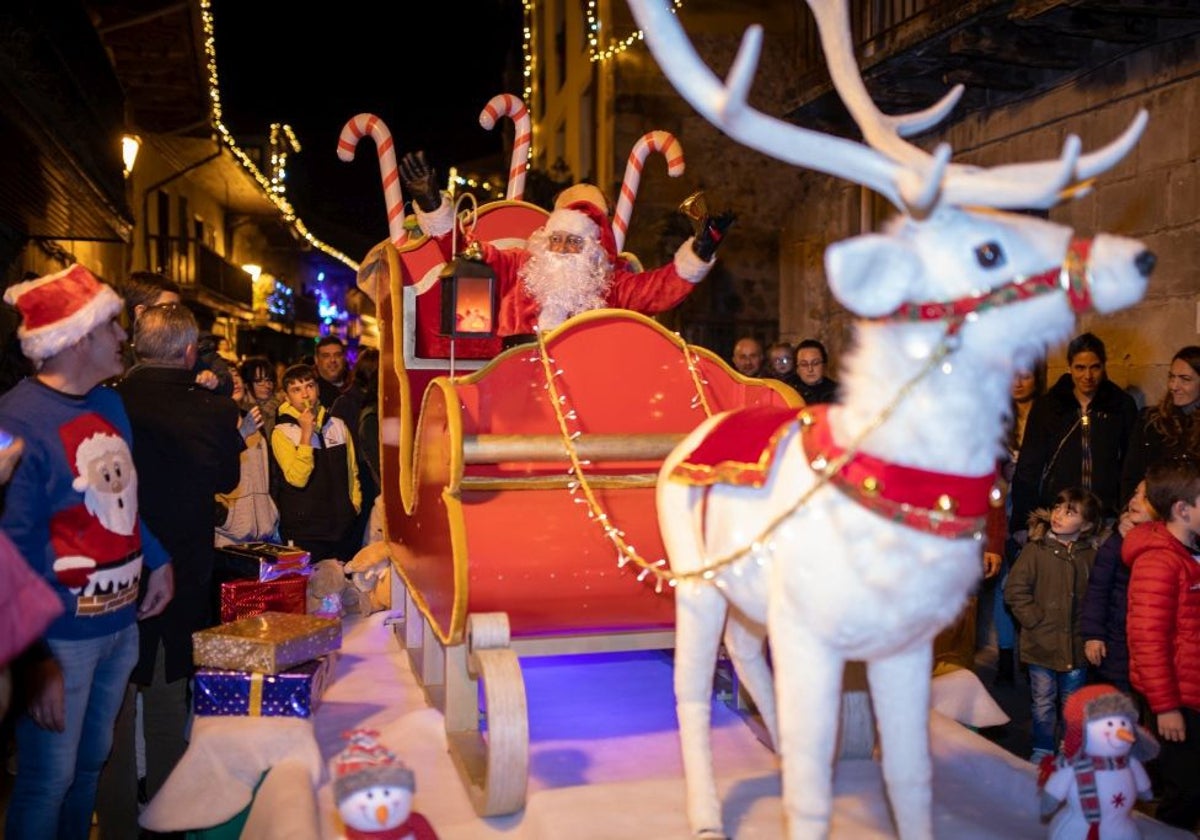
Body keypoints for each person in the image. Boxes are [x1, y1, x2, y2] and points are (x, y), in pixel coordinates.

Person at [0, 264, 173, 839]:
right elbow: (10, 554)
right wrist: (35, 661)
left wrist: (157, 557)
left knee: (90, 766)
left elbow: (122, 499)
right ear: (76, 339)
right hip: (59, 643)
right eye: (111, 327)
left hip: (120, 627)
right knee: (47, 781)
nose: (124, 336)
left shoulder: (109, 404)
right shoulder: (15, 423)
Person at [99, 302, 245, 836]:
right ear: (188, 351)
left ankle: (114, 827)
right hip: (181, 575)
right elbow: (228, 477)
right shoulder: (212, 411)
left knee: (112, 718)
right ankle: (166, 825)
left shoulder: (106, 403)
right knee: (165, 712)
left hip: (113, 576)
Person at [399, 151, 734, 344]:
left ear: (590, 250)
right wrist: (431, 204)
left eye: (573, 242)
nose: (560, 249)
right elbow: (463, 250)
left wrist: (700, 251)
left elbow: (660, 289)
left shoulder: (609, 285)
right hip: (515, 380)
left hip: (587, 388)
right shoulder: (517, 266)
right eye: (556, 239)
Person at [1125, 457, 1200, 832]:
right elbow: (1147, 640)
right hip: (1176, 699)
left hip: (1192, 688)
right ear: (1183, 510)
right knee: (1185, 791)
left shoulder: (1190, 552)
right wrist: (1166, 707)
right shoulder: (1159, 562)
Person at [1004, 486, 1104, 763]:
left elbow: (1097, 596)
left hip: (1076, 645)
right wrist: (1034, 619)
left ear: (1085, 525)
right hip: (1041, 644)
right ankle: (1043, 747)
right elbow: (1015, 589)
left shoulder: (1090, 556)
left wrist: (1091, 631)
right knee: (1043, 702)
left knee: (1072, 703)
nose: (1058, 515)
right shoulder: (1036, 551)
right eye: (1058, 508)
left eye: (1069, 512)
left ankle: (1069, 746)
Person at [1010, 332, 1138, 534]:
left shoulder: (1121, 405)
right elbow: (1029, 466)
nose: (1087, 376)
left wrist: (1126, 510)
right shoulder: (1049, 407)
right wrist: (1021, 523)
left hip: (1106, 516)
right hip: (1059, 515)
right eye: (1080, 367)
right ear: (1069, 367)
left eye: (1094, 367)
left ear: (1104, 366)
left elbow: (1131, 464)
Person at [271, 363, 362, 561]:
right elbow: (297, 479)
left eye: (309, 386)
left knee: (343, 587)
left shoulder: (337, 425)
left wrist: (354, 505)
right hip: (305, 531)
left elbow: (351, 471)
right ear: (287, 396)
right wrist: (306, 434)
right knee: (309, 589)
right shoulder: (282, 432)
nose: (305, 395)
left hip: (341, 527)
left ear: (318, 389)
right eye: (296, 390)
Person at [992, 362, 1047, 686]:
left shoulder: (1048, 414)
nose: (1018, 382)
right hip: (1002, 504)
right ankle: (1005, 655)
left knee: (1030, 583)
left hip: (1034, 506)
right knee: (1003, 584)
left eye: (1025, 375)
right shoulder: (998, 415)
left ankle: (1030, 656)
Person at [1080, 479, 1154, 694]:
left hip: (1147, 644)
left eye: (1145, 497)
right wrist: (1093, 635)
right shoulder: (1116, 542)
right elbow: (1097, 591)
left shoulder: (1170, 544)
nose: (1134, 500)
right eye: (1135, 493)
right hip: (1115, 641)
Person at [1121, 345, 1200, 505]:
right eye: (1171, 377)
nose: (1174, 386)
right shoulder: (1150, 420)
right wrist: (1127, 512)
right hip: (1151, 515)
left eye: (1185, 379)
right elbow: (1131, 476)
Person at [215, 364, 279, 547]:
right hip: (226, 536)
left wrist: (271, 510)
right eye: (227, 377)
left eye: (236, 376)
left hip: (262, 532)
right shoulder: (213, 426)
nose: (234, 381)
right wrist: (224, 518)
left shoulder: (254, 421)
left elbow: (270, 474)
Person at [241, 355, 280, 440]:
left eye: (269, 380)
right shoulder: (241, 412)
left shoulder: (277, 406)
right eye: (259, 381)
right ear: (246, 384)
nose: (266, 385)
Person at [794, 339, 838, 404]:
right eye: (804, 364)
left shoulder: (838, 393)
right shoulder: (789, 391)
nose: (810, 369)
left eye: (815, 363)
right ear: (797, 369)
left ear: (824, 365)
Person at [315, 335, 350, 409]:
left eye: (337, 355)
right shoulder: (311, 393)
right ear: (316, 359)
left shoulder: (355, 389)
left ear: (344, 358)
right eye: (326, 356)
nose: (332, 360)